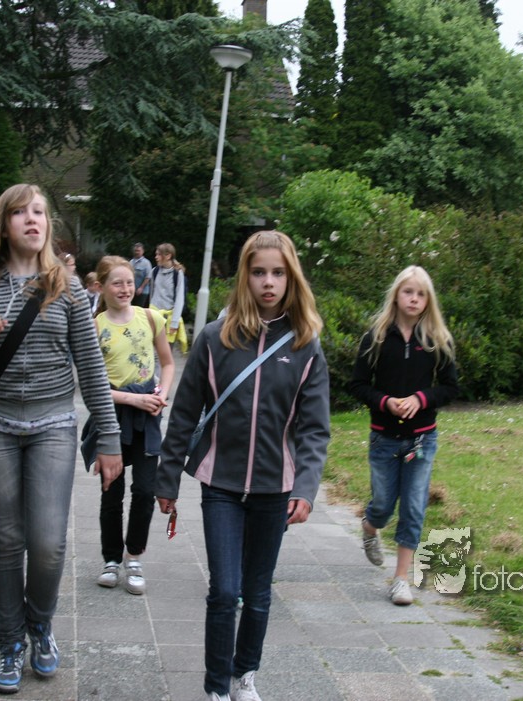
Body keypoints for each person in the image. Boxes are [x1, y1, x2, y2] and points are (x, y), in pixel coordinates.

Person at [0, 184, 123, 695]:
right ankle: (11, 641)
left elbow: (91, 368)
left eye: (39, 212)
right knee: (6, 541)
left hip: (53, 425)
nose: (32, 219)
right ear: (4, 223)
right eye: (21, 213)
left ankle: (40, 623)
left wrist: (109, 438)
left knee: (47, 544)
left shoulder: (66, 288)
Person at [155, 231, 331, 701]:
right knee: (223, 591)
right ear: (244, 278)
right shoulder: (216, 339)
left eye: (278, 273)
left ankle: (243, 675)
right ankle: (216, 688)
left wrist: (306, 488)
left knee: (256, 593)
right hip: (221, 486)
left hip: (276, 489)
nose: (268, 282)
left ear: (291, 278)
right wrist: (167, 479)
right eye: (258, 272)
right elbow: (184, 414)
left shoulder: (306, 346)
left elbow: (315, 429)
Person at [347, 265, 458, 606]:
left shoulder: (437, 339)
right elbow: (357, 385)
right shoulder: (376, 337)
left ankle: (400, 580)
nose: (414, 298)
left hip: (422, 440)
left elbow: (450, 388)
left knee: (413, 507)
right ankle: (370, 527)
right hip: (384, 439)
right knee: (382, 505)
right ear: (396, 295)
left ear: (428, 300)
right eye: (408, 291)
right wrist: (385, 402)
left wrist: (421, 399)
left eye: (421, 294)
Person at [89, 255, 175, 596]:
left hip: (147, 417)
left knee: (144, 491)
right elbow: (92, 386)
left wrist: (161, 393)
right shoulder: (94, 327)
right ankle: (111, 560)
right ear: (101, 287)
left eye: (129, 282)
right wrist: (132, 399)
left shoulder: (150, 318)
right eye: (117, 283)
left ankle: (133, 557)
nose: (125, 289)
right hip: (111, 416)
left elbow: (167, 364)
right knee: (112, 492)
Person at [149, 242, 188, 352]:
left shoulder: (177, 274)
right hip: (154, 316)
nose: (156, 257)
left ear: (168, 256)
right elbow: (152, 294)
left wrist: (174, 322)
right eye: (156, 254)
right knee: (151, 353)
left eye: (158, 254)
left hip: (169, 319)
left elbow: (180, 299)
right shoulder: (154, 271)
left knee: (166, 353)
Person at [130, 242, 153, 308]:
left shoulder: (146, 263)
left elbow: (148, 277)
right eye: (135, 250)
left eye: (138, 251)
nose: (137, 252)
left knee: (139, 309)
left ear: (143, 251)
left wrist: (141, 288)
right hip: (132, 291)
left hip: (143, 292)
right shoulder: (131, 262)